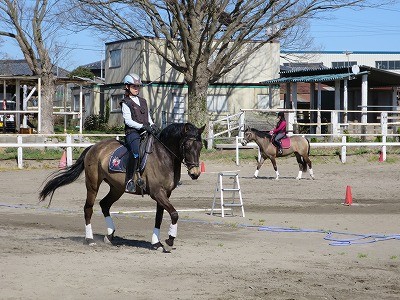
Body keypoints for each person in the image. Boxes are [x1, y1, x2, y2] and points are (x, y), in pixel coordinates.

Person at [120, 73, 156, 193]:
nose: (136, 88)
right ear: (127, 87)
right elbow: (128, 121)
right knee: (135, 153)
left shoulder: (143, 101)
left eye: (138, 86)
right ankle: (129, 180)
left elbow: (148, 116)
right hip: (133, 133)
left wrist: (152, 125)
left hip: (146, 130)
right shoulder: (126, 102)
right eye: (134, 86)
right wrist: (142, 126)